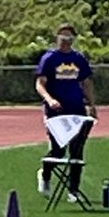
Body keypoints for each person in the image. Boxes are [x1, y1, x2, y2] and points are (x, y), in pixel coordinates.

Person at [35, 23, 97, 200]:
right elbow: (40, 83)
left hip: (77, 110)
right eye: (63, 38)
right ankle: (45, 174)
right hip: (56, 112)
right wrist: (50, 99)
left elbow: (86, 83)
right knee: (58, 151)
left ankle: (73, 190)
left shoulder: (78, 59)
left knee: (77, 152)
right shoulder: (49, 58)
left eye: (69, 38)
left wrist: (92, 104)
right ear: (57, 38)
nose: (66, 42)